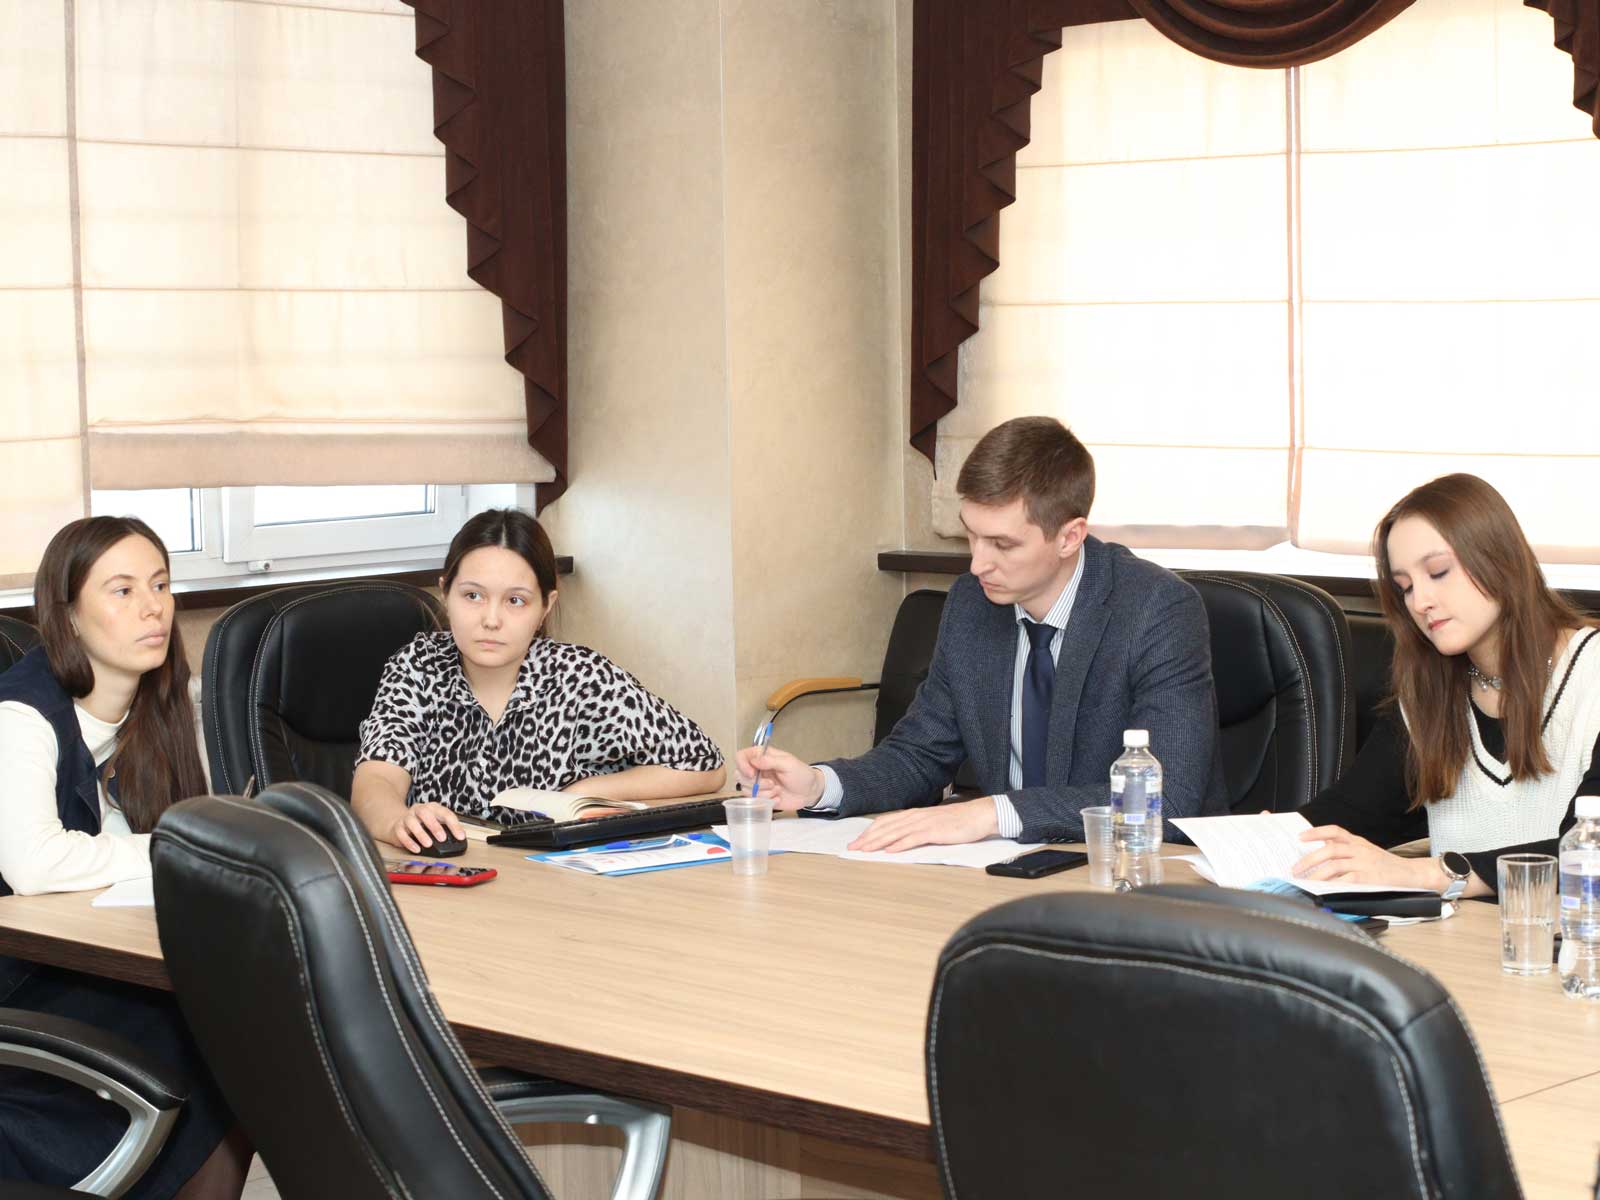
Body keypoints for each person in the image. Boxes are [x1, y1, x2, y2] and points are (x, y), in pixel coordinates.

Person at [736, 416, 1229, 851]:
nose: (977, 564)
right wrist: (819, 785)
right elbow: (920, 754)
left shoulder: (1156, 610)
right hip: (1000, 869)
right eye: (971, 535)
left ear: (1069, 537)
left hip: (1133, 873)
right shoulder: (972, 605)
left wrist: (991, 813)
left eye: (1002, 544)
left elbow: (1168, 799)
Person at [0, 517, 250, 1198]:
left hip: (93, 958)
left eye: (161, 585)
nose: (153, 608)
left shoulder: (163, 703)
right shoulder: (21, 715)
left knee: (251, 1018)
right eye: (122, 590)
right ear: (68, 617)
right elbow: (36, 864)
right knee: (226, 1025)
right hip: (23, 980)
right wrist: (185, 843)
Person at [1293, 474, 1600, 898]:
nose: (1420, 602)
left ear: (1500, 558)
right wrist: (1262, 838)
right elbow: (1346, 815)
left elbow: (1587, 854)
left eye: (1438, 572)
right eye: (1405, 587)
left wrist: (1426, 874)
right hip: (1457, 937)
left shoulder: (1591, 673)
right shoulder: (1428, 696)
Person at [353, 508, 727, 851]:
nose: (491, 620)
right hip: (449, 878)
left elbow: (704, 764)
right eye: (473, 596)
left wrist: (586, 791)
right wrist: (397, 821)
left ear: (545, 606)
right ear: (445, 593)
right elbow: (376, 780)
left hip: (556, 886)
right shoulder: (418, 666)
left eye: (515, 601)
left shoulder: (580, 677)